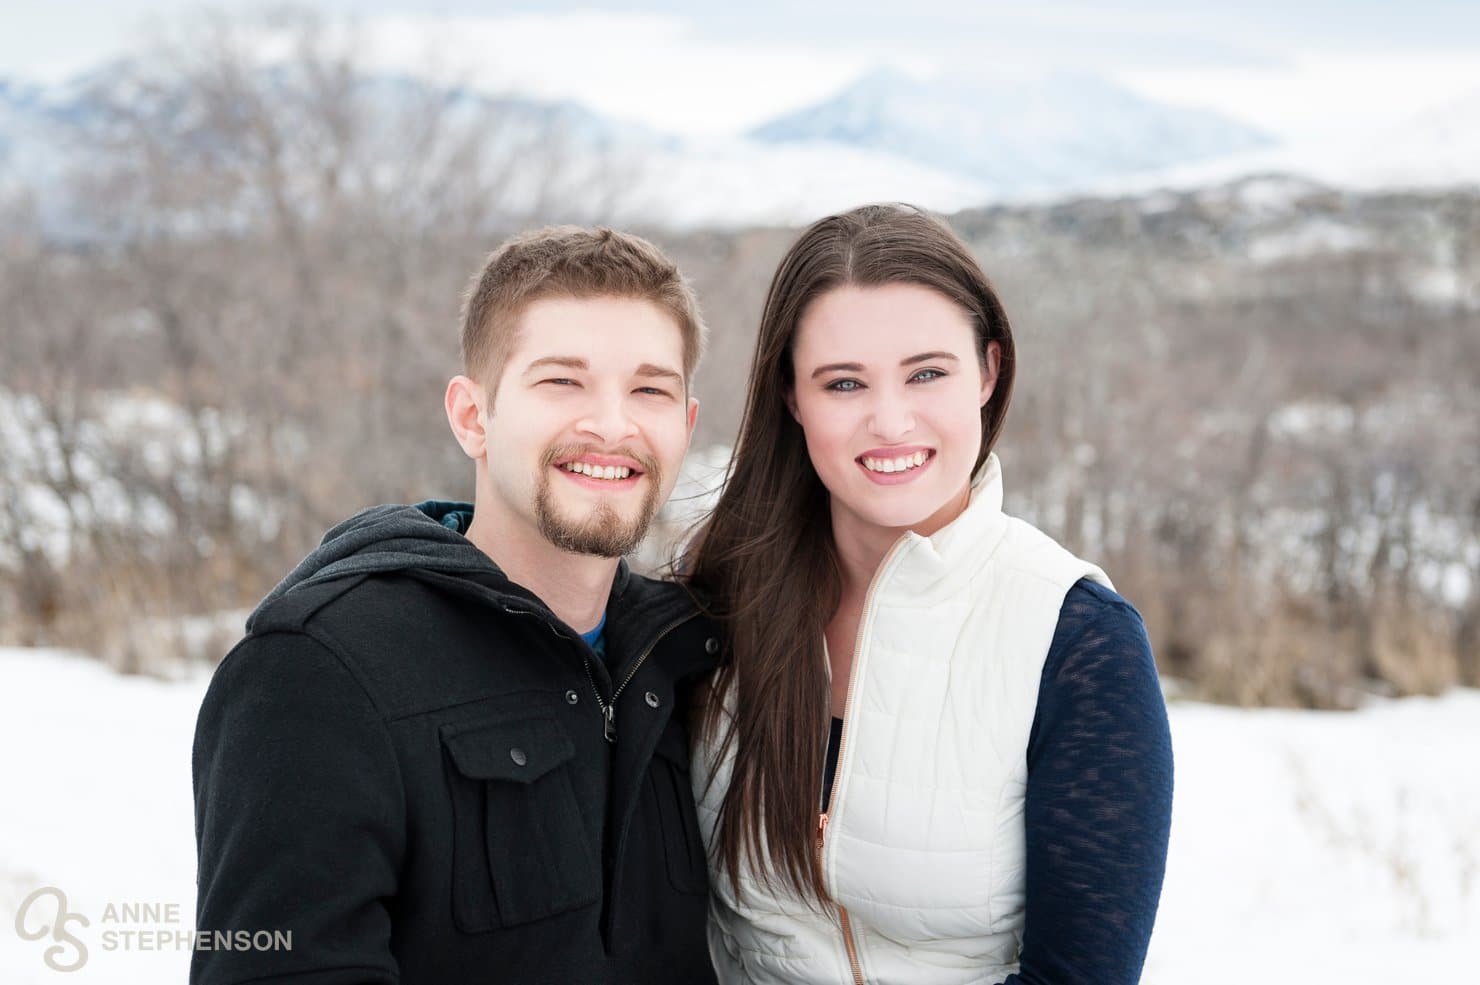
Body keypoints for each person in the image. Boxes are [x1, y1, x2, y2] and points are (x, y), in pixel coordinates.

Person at [192, 226, 721, 985]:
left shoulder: (691, 661)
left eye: (650, 389)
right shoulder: (319, 670)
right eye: (562, 381)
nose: (613, 424)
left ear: (685, 426)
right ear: (473, 416)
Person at [686, 204, 1173, 984]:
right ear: (791, 396)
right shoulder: (713, 610)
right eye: (843, 382)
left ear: (988, 371)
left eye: (927, 373)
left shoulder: (1077, 640)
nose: (890, 420)